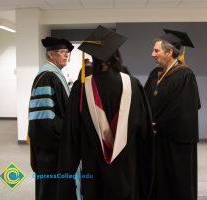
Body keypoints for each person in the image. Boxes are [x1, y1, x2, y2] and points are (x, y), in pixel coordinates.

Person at [57, 25, 154, 200]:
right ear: (117, 54)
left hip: (93, 166)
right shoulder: (133, 84)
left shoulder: (82, 87)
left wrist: (66, 176)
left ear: (94, 57)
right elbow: (145, 132)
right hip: (126, 166)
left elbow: (72, 133)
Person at [144, 29, 200, 200]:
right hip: (157, 139)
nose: (152, 54)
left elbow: (183, 109)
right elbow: (144, 100)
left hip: (176, 142)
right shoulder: (155, 73)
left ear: (169, 52)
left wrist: (157, 125)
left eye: (156, 50)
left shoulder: (185, 74)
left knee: (176, 183)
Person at [28, 36, 74, 200]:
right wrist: (65, 138)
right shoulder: (47, 77)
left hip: (55, 145)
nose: (66, 55)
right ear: (51, 55)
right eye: (62, 52)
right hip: (50, 148)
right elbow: (44, 119)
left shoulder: (57, 75)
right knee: (51, 189)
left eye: (67, 52)